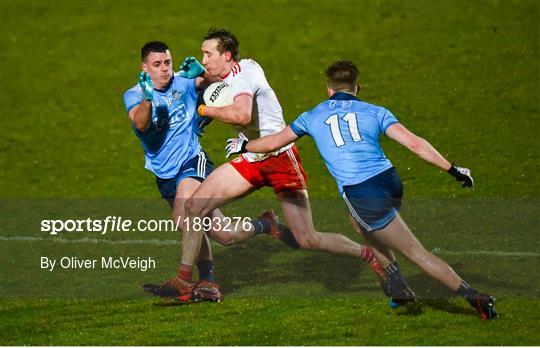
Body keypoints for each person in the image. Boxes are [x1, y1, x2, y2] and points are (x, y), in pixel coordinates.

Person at [225, 60, 497, 320]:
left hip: (363, 192)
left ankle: (474, 298)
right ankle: (397, 284)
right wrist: (453, 169)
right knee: (358, 222)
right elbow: (415, 144)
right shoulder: (376, 111)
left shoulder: (313, 116)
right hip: (389, 181)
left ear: (328, 89)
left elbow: (273, 142)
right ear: (357, 88)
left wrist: (243, 147)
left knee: (416, 253)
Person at [160, 29, 392, 303]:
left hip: (281, 159)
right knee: (193, 206)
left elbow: (243, 114)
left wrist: (204, 110)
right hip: (252, 158)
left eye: (208, 54)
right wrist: (203, 76)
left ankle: (371, 257)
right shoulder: (238, 69)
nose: (204, 58)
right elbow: (223, 79)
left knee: (308, 239)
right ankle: (185, 279)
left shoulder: (245, 76)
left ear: (227, 55)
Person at [123, 41, 295, 303]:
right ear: (144, 67)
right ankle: (266, 224)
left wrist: (204, 75)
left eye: (167, 63)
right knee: (223, 234)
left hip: (192, 163)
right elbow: (141, 123)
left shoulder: (184, 82)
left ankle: (190, 281)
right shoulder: (135, 94)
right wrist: (148, 98)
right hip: (164, 175)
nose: (165, 69)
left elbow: (225, 84)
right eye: (157, 65)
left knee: (184, 217)